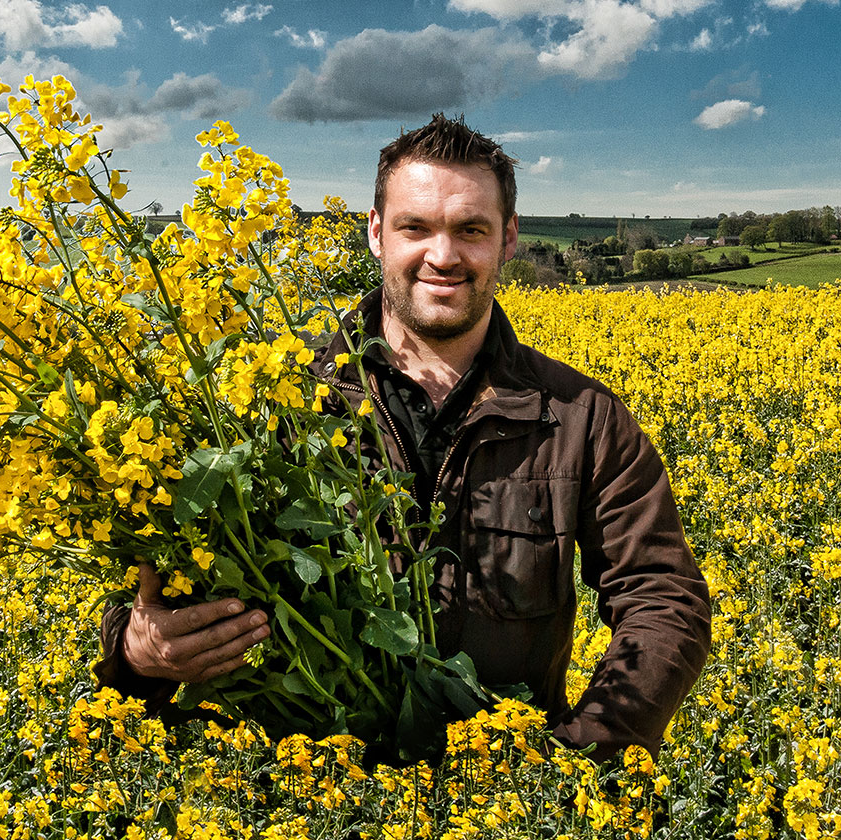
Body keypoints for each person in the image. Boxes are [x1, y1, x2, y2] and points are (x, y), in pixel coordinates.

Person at [95, 113, 711, 762]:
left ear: (508, 239)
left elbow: (662, 598)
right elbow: (157, 573)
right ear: (376, 233)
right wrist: (137, 650)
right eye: (416, 227)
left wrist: (579, 770)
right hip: (307, 819)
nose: (442, 256)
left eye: (471, 230)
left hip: (504, 810)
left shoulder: (584, 416)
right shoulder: (269, 400)